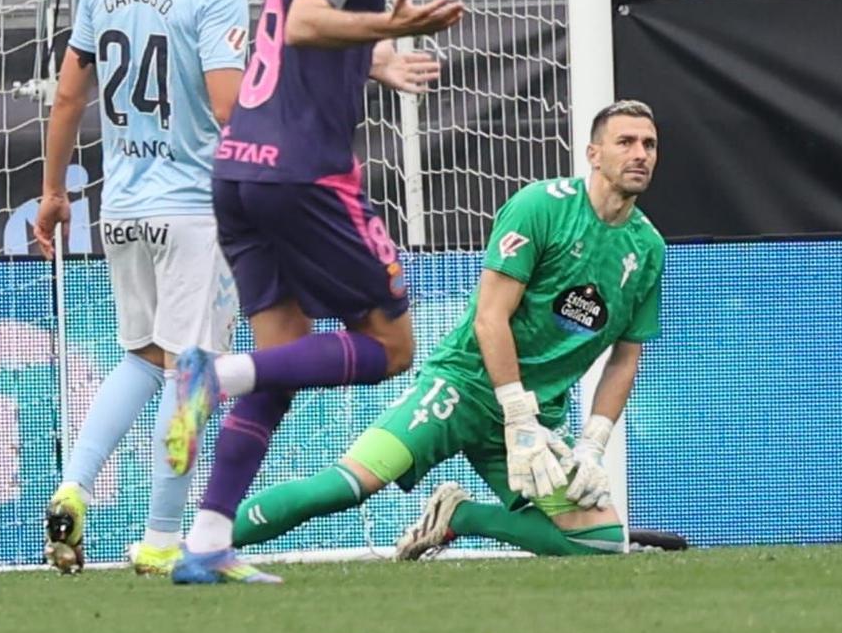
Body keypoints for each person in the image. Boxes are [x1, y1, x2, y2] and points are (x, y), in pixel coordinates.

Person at [168, 0, 463, 585]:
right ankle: (210, 375)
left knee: (286, 356)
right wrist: (390, 26)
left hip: (239, 170)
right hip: (305, 175)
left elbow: (283, 34)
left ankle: (205, 540)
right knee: (392, 347)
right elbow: (303, 21)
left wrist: (369, 57)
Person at [227, 102, 665, 564]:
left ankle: (459, 516)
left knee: (598, 543)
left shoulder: (647, 248)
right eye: (626, 142)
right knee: (348, 485)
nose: (640, 154)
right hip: (462, 387)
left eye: (649, 144)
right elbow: (490, 318)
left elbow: (625, 356)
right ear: (593, 154)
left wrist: (593, 445)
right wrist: (516, 415)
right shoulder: (540, 207)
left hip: (534, 418)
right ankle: (196, 544)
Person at [34, 0, 268, 574]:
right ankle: (164, 536)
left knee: (140, 358)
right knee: (191, 374)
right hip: (194, 209)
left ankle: (72, 486)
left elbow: (69, 94)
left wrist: (53, 190)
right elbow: (232, 107)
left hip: (123, 206)